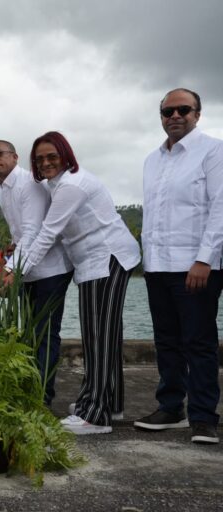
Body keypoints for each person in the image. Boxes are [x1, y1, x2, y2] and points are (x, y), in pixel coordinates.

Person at [11, 131, 140, 435]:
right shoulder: (57, 185)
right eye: (40, 159)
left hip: (105, 259)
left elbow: (47, 234)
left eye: (52, 157)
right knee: (105, 335)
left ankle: (94, 415)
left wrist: (16, 272)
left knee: (98, 338)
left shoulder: (71, 185)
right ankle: (110, 404)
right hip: (92, 263)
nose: (45, 163)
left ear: (66, 155)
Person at [134, 88, 223, 445]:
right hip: (157, 265)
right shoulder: (152, 160)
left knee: (199, 341)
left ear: (197, 114)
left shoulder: (213, 151)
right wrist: (147, 260)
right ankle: (171, 407)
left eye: (182, 110)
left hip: (195, 265)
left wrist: (205, 259)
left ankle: (203, 417)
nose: (174, 116)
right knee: (166, 341)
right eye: (167, 111)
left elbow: (219, 208)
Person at [0, 139, 74, 406]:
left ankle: (42, 397)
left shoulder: (29, 184)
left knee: (45, 334)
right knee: (28, 334)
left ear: (14, 156)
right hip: (27, 269)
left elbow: (35, 231)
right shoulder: (2, 189)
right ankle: (30, 390)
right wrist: (13, 250)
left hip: (50, 269)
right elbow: (23, 231)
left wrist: (9, 270)